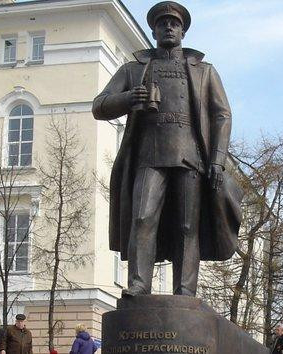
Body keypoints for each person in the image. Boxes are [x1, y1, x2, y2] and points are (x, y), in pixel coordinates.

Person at [92, 0, 242, 298]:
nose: (169, 28)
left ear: (183, 31)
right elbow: (100, 105)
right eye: (163, 24)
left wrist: (217, 160)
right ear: (154, 30)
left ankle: (185, 291)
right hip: (149, 157)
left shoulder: (203, 71)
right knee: (142, 218)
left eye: (174, 24)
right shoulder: (135, 69)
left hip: (192, 159)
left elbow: (222, 114)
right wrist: (129, 99)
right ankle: (139, 284)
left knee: (188, 226)